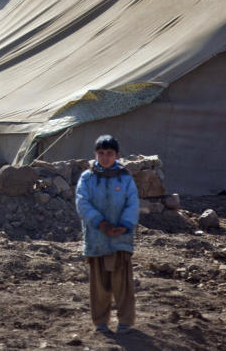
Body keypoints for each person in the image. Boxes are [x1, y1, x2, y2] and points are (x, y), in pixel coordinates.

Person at [75, 135, 140, 337]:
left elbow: (132, 204)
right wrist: (100, 223)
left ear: (117, 155)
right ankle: (101, 322)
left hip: (120, 238)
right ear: (95, 154)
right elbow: (82, 203)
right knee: (99, 284)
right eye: (101, 153)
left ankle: (125, 322)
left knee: (123, 284)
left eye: (109, 153)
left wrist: (124, 226)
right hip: (97, 238)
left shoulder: (125, 178)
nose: (105, 157)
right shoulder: (87, 178)